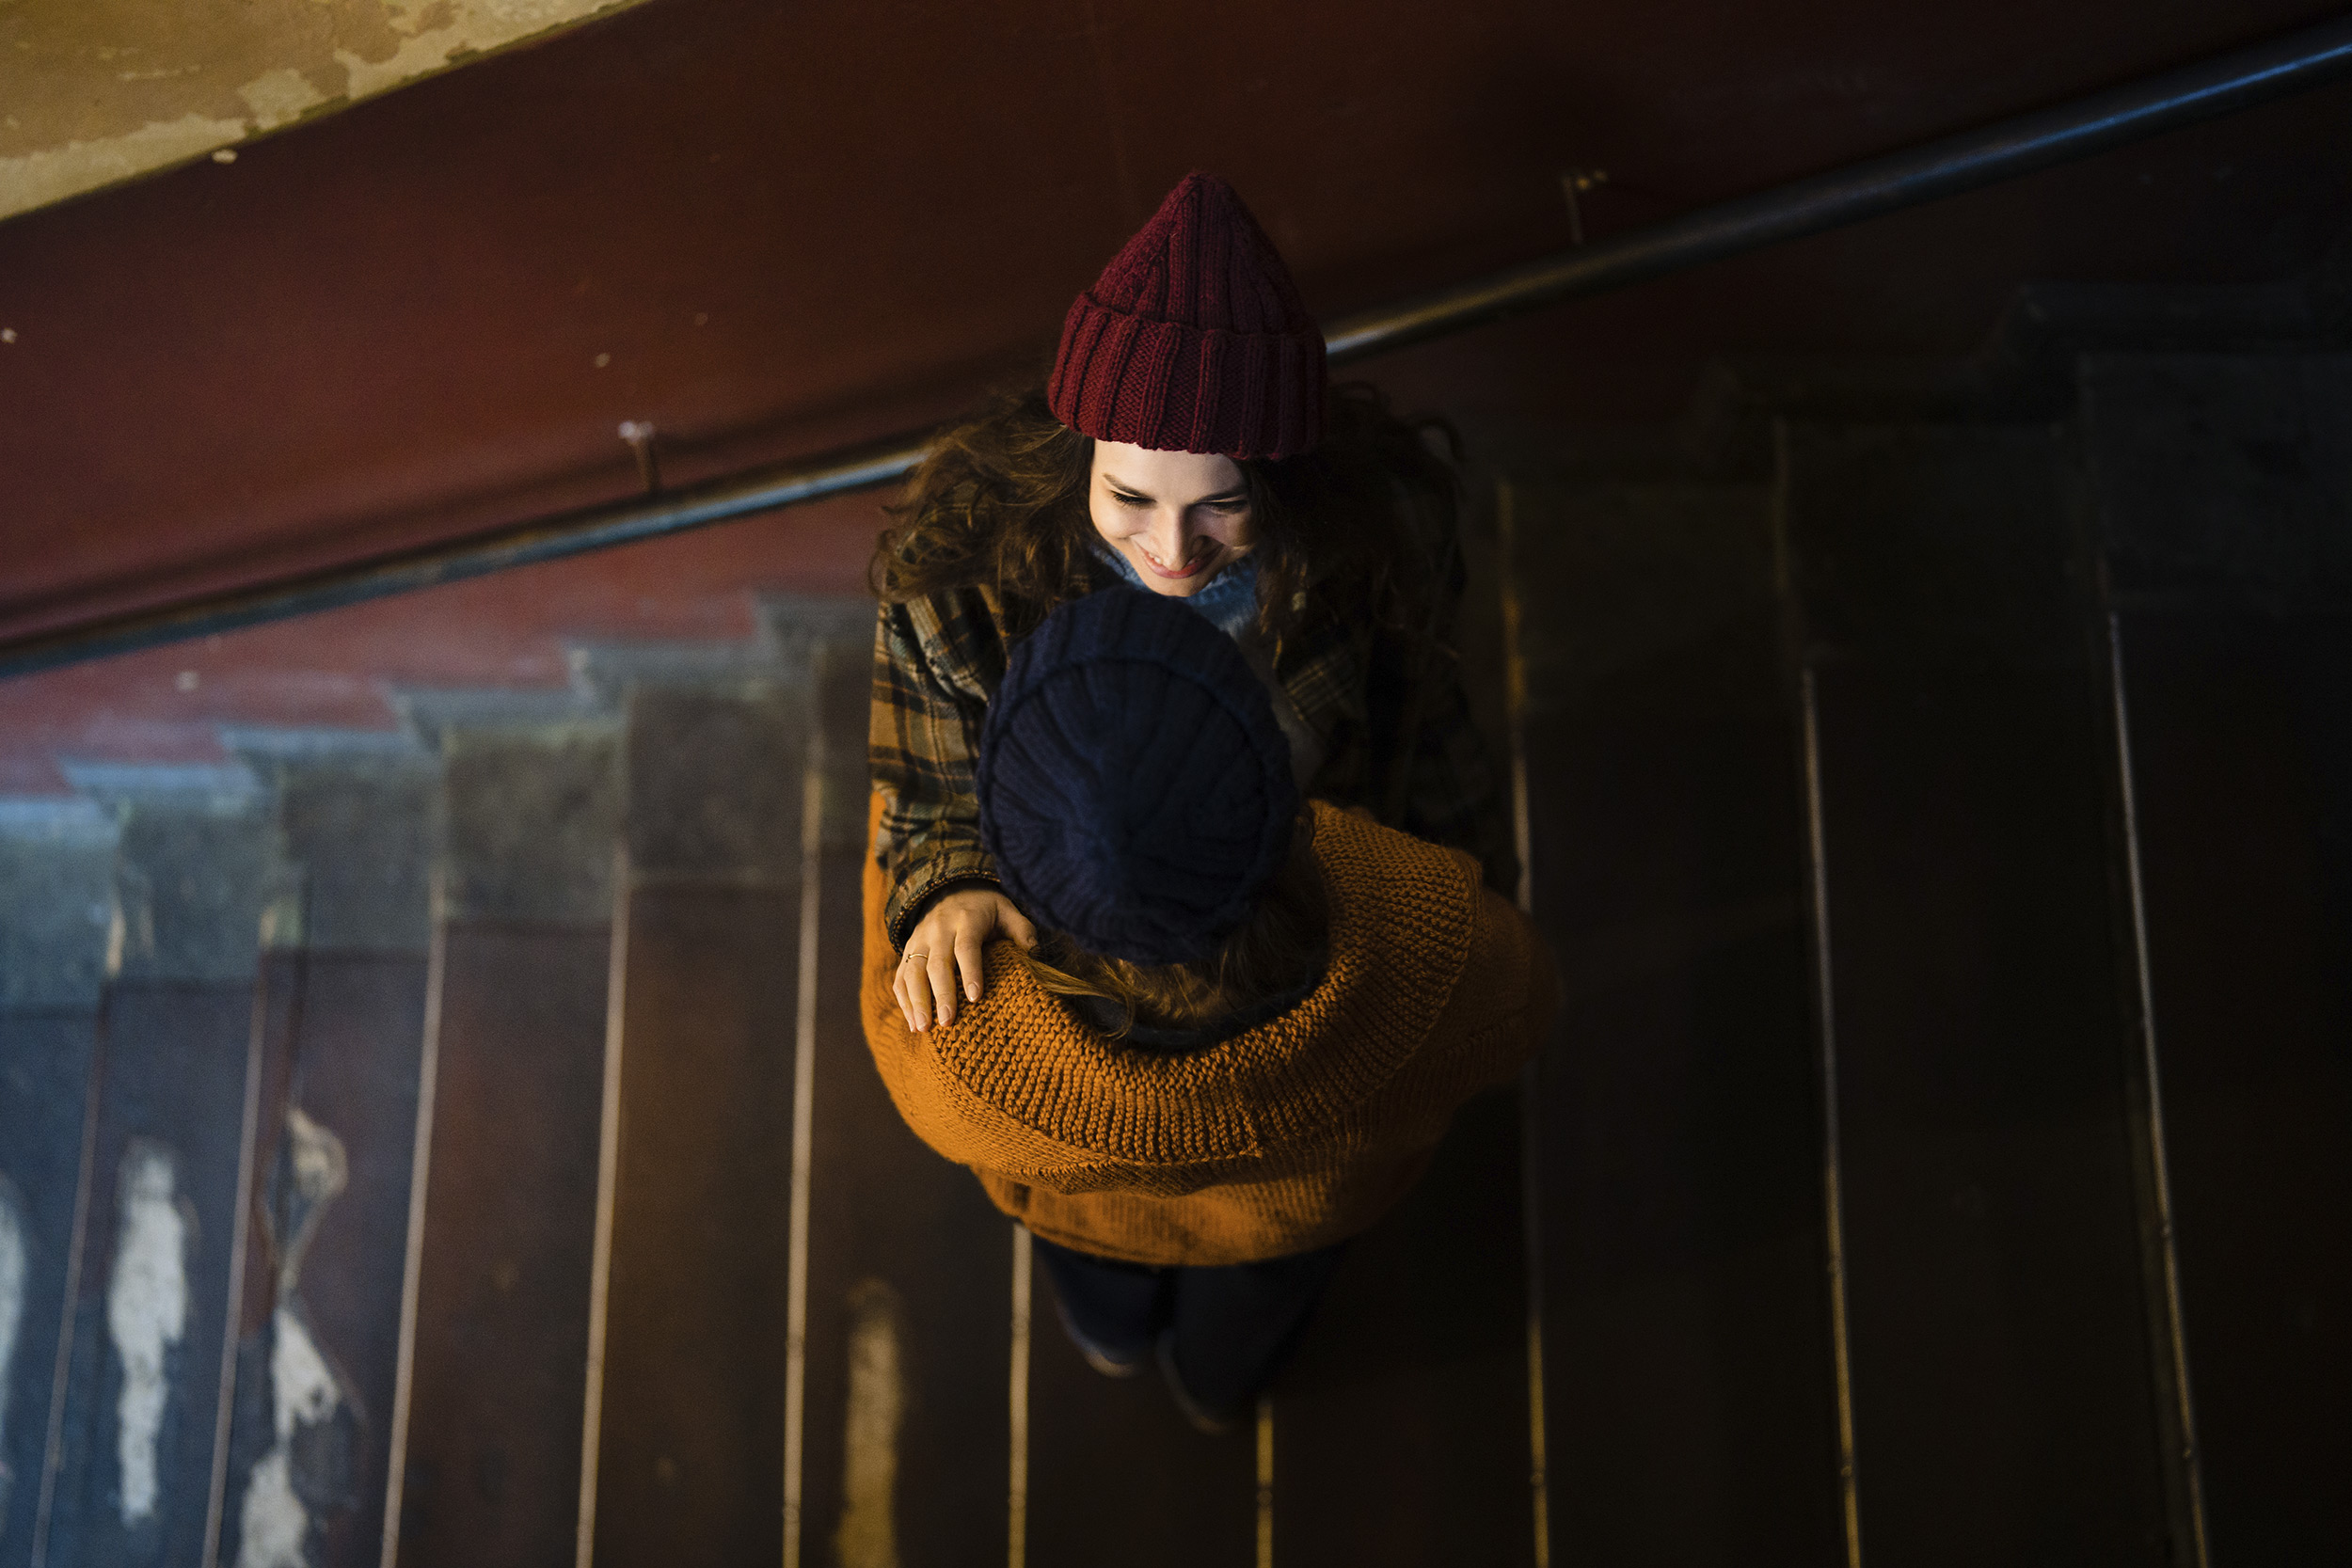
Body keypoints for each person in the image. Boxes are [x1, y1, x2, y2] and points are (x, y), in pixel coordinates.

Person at [858, 588, 1557, 1430]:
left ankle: (1111, 1336)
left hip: (1089, 1217)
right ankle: (1216, 1385)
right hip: (1303, 1216)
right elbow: (1524, 1005)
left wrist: (941, 882)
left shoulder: (971, 1037)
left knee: (1098, 1282)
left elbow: (892, 1018)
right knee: (1253, 1315)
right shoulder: (1416, 918)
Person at [868, 170, 1509, 1037]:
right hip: (1086, 947)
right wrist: (953, 883)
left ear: (1281, 479)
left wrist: (1483, 900)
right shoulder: (961, 575)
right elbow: (927, 792)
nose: (1173, 551)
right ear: (1077, 453)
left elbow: (1427, 736)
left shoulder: (1385, 535)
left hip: (1313, 912)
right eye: (1129, 498)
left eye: (1224, 503)